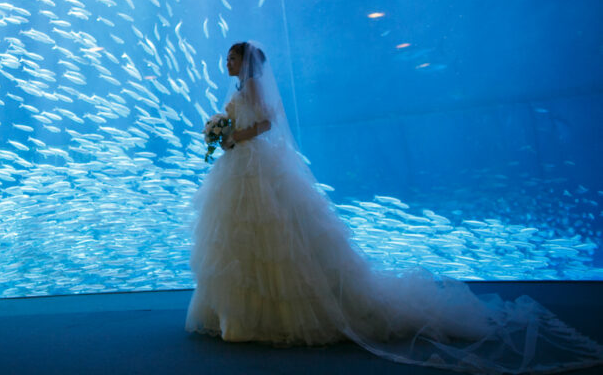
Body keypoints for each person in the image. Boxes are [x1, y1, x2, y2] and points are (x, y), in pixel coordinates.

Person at [185, 41, 603, 373]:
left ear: (246, 61)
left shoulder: (254, 87)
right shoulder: (238, 90)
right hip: (238, 166)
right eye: (227, 58)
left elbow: (267, 123)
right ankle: (239, 316)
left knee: (269, 235)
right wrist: (223, 135)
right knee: (240, 238)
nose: (227, 62)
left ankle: (264, 318)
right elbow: (245, 123)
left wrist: (234, 137)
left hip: (255, 164)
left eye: (232, 57)